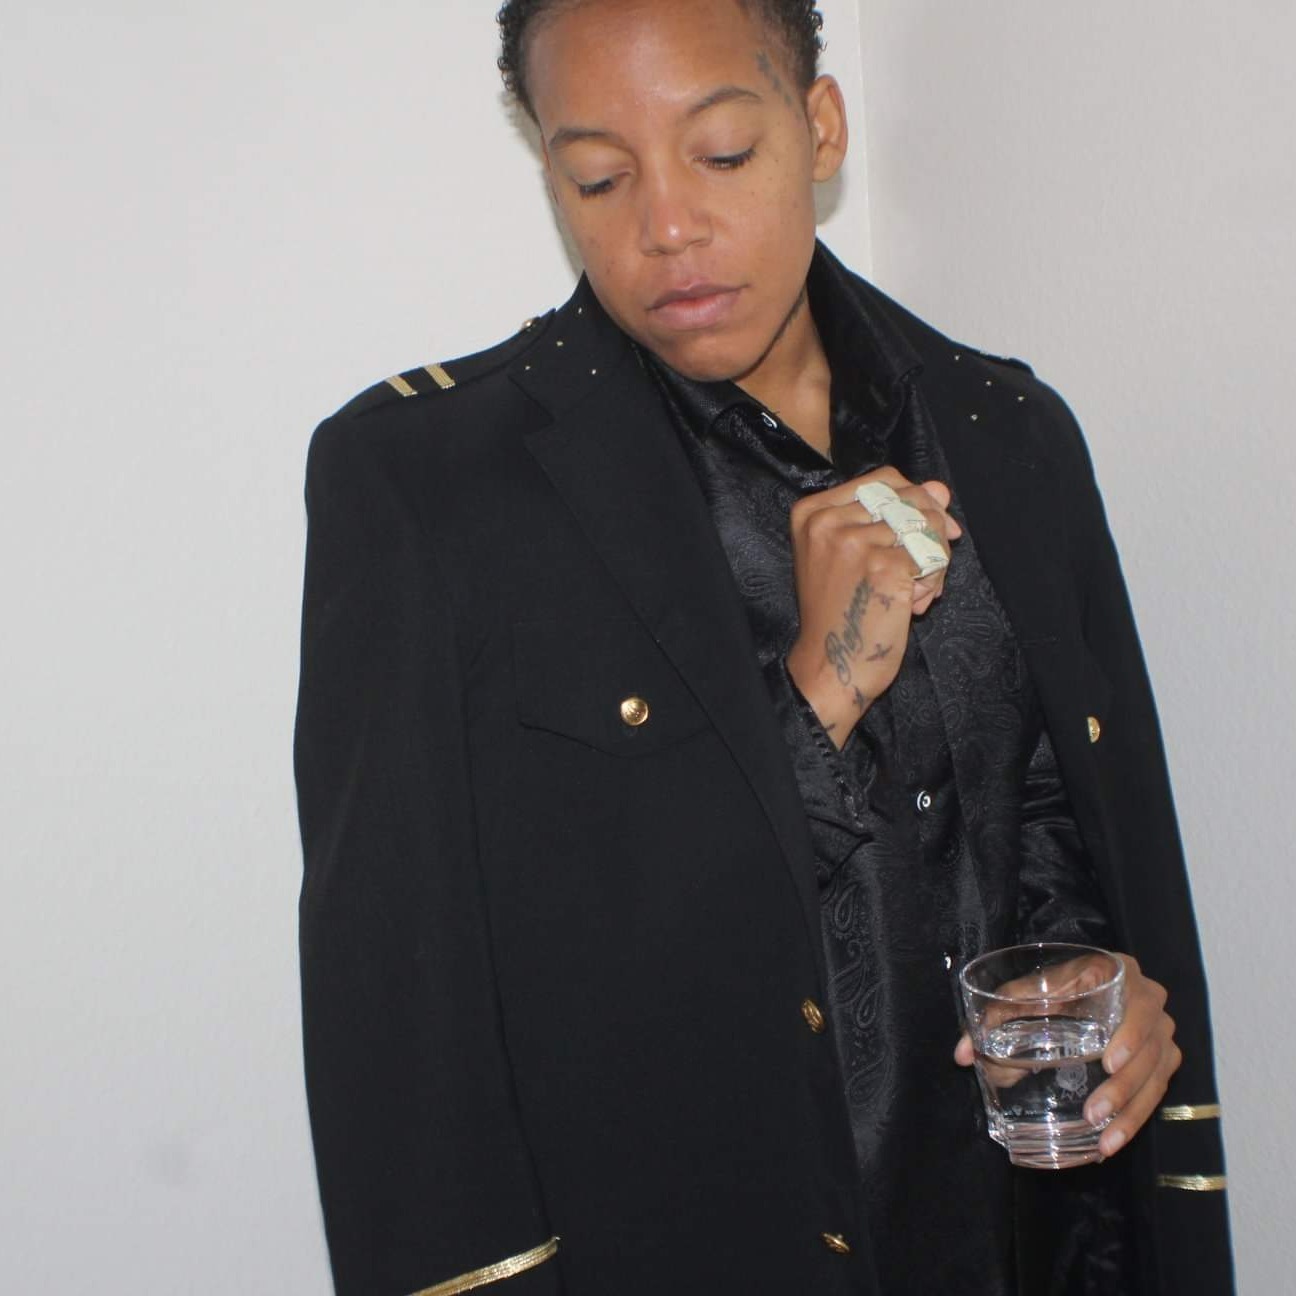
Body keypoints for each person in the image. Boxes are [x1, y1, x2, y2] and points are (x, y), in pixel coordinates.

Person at [293, 2, 1232, 1293]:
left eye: (723, 153)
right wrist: (818, 693)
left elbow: (1058, 831)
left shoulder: (1007, 431)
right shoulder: (431, 486)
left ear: (820, 129)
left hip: (1032, 1250)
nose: (667, 225)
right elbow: (409, 1015)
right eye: (600, 177)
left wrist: (1098, 991)